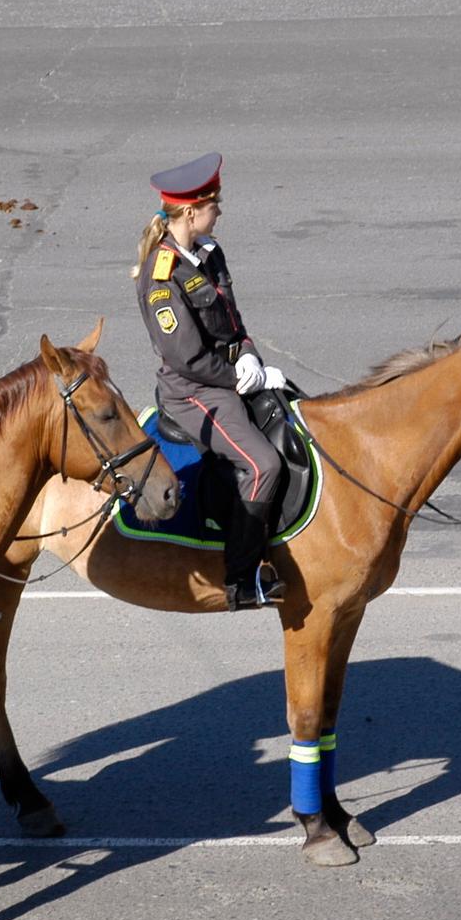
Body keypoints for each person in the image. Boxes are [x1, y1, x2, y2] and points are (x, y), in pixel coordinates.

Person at [133, 153, 286, 610]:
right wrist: (243, 382)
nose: (220, 211)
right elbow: (187, 359)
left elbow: (235, 326)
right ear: (191, 211)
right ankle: (241, 579)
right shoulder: (161, 278)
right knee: (264, 465)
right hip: (193, 393)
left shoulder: (209, 253)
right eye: (214, 204)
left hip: (229, 375)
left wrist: (253, 359)